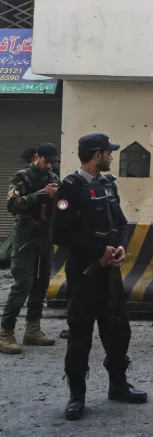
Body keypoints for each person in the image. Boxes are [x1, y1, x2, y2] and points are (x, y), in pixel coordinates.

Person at [53, 134, 147, 420]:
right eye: (108, 152)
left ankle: (118, 385)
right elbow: (59, 234)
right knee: (80, 336)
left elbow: (121, 223)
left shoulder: (108, 185)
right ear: (97, 155)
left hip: (110, 275)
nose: (111, 156)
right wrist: (98, 252)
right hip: (85, 274)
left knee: (118, 331)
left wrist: (120, 247)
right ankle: (77, 396)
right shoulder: (70, 188)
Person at [1, 143, 60, 355]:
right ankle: (5, 332)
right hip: (25, 235)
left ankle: (32, 329)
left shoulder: (53, 178)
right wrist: (41, 194)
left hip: (45, 236)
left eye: (53, 162)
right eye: (46, 161)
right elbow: (12, 205)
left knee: (41, 283)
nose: (50, 165)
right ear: (37, 157)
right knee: (22, 284)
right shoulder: (22, 177)